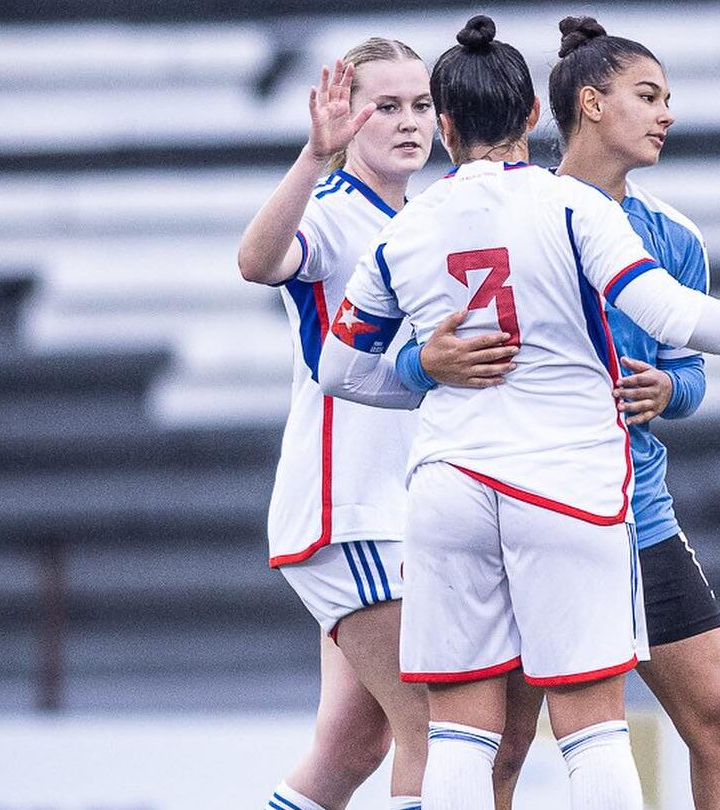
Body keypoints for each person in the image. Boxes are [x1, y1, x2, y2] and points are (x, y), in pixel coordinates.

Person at [316, 15, 720, 810]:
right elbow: (675, 315)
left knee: (460, 736)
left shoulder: (405, 228)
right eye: (649, 95)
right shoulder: (576, 211)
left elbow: (339, 368)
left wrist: (421, 364)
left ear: (442, 125)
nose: (665, 114)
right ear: (536, 118)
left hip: (454, 488)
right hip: (568, 491)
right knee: (590, 731)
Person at [235, 39, 437, 810]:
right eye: (385, 106)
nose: (409, 121)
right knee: (433, 721)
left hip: (397, 508)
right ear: (345, 117)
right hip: (347, 511)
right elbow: (257, 261)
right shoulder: (333, 209)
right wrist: (313, 159)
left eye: (420, 104)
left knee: (356, 742)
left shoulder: (426, 217)